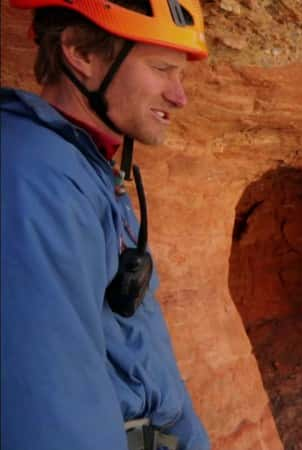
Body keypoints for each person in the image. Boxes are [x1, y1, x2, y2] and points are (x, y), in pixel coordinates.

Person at [1, 0, 210, 448]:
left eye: (181, 75)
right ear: (80, 52)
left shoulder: (83, 167)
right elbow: (49, 410)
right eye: (161, 68)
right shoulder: (31, 179)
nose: (180, 96)